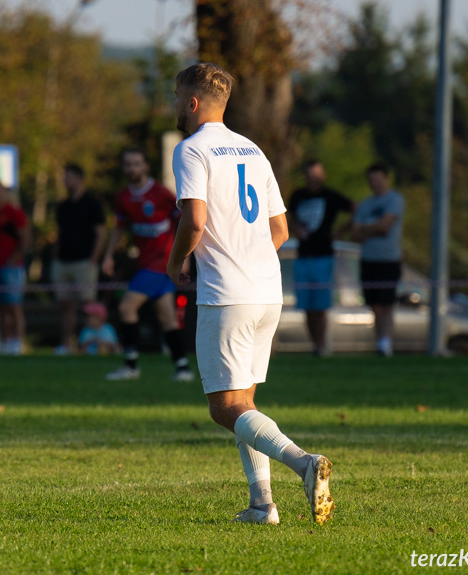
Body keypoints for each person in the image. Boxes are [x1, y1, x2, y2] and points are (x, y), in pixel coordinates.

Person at [167, 62, 334, 526]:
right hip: (267, 291)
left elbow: (194, 221)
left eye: (178, 98)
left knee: (225, 408)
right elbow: (279, 229)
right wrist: (249, 255)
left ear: (193, 103)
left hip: (227, 295)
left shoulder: (191, 150)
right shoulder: (253, 151)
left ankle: (303, 463)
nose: (175, 106)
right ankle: (263, 505)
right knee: (245, 404)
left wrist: (177, 261)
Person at [102, 148, 194, 382]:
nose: (133, 168)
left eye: (137, 164)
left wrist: (185, 257)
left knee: (126, 307)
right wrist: (109, 255)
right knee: (167, 318)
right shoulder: (123, 198)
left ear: (145, 167)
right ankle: (182, 367)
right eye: (128, 164)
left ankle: (131, 365)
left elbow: (183, 224)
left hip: (160, 263)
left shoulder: (161, 194)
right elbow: (119, 228)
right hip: (146, 263)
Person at [287, 160, 353, 356]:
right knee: (307, 305)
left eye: (317, 174)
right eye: (309, 174)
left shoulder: (330, 196)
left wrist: (340, 232)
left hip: (323, 255)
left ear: (322, 175)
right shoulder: (298, 196)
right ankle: (315, 345)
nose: (313, 179)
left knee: (321, 305)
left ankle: (322, 345)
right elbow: (288, 217)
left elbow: (355, 208)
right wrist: (295, 229)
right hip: (304, 255)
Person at [52, 164, 106, 355]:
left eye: (68, 177)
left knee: (88, 305)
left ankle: (92, 344)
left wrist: (94, 258)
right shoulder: (62, 206)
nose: (65, 181)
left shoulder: (92, 204)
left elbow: (100, 233)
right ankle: (67, 344)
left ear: (79, 178)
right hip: (63, 261)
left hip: (84, 261)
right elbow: (59, 233)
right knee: (65, 304)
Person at [352, 163, 404, 357]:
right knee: (373, 303)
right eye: (371, 180)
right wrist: (374, 227)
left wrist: (367, 228)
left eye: (378, 179)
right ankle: (380, 342)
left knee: (387, 303)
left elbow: (386, 226)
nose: (375, 183)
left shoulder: (395, 200)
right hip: (368, 260)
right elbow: (355, 234)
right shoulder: (364, 204)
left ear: (386, 178)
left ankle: (386, 343)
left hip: (388, 260)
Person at [0, 179, 30, 355]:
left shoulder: (14, 213)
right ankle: (6, 342)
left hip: (11, 267)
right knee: (0, 307)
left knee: (14, 305)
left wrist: (13, 258)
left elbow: (25, 239)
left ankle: (17, 342)